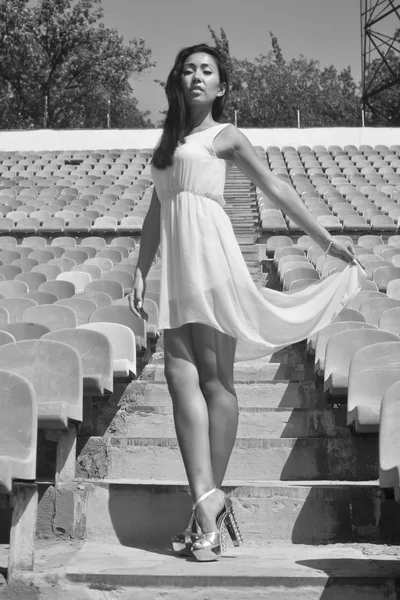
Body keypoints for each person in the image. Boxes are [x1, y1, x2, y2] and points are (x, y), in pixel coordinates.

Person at [128, 43, 366, 562]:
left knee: (215, 381)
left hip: (212, 264)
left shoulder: (225, 136)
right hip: (176, 273)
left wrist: (325, 241)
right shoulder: (167, 143)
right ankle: (207, 499)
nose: (196, 77)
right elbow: (154, 215)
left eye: (206, 71)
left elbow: (275, 186)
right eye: (188, 70)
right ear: (177, 79)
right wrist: (141, 272)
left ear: (221, 86)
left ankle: (207, 507)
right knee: (177, 378)